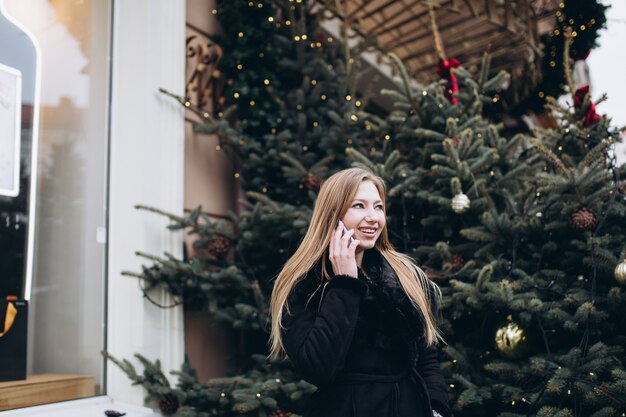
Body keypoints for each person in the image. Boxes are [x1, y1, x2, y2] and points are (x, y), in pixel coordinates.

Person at [269, 167, 451, 417]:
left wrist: (436, 408)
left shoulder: (403, 276)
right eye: (359, 206)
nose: (373, 217)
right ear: (333, 214)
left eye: (378, 207)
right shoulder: (304, 286)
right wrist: (344, 282)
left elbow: (426, 357)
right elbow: (317, 368)